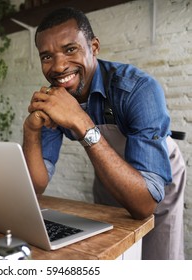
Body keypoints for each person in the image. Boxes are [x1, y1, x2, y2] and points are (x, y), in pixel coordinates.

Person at [22, 7, 186, 260]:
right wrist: (31, 131)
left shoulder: (137, 89)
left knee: (158, 258)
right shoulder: (55, 99)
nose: (59, 66)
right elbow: (36, 185)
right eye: (46, 56)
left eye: (70, 49)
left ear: (94, 46)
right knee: (113, 252)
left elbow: (144, 204)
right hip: (108, 176)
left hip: (158, 182)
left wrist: (80, 121)